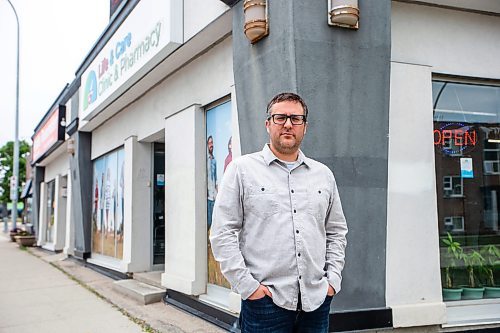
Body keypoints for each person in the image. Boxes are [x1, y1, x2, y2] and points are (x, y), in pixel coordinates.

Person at [210, 92, 348, 333]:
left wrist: (332, 281)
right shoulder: (242, 170)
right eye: (280, 117)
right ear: (268, 124)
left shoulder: (323, 175)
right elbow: (222, 233)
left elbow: (336, 231)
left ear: (305, 127)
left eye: (296, 119)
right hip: (265, 303)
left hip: (316, 302)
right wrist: (248, 287)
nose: (287, 124)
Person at [207, 135, 218, 230]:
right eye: (210, 143)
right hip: (207, 196)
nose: (212, 145)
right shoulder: (204, 159)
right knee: (209, 222)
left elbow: (216, 178)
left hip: (213, 196)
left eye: (212, 143)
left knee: (214, 223)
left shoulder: (214, 160)